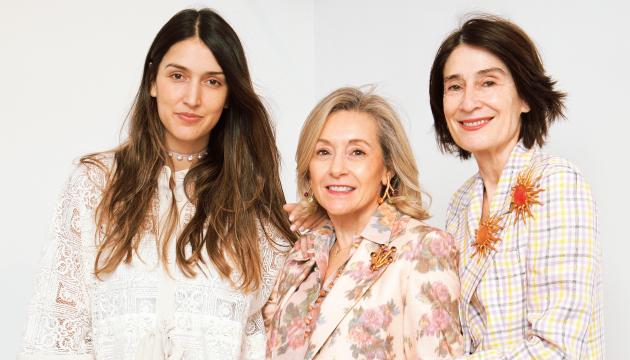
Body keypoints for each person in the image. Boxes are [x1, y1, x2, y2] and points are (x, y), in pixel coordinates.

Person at [19, 8, 294, 359]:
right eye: (178, 75)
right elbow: (59, 334)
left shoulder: (251, 202)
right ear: (153, 81)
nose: (192, 97)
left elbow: (270, 339)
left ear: (228, 97)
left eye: (212, 81)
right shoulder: (95, 184)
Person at [429, 15, 604, 358]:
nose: (468, 103)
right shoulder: (460, 203)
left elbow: (558, 347)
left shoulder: (557, 182)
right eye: (454, 86)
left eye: (488, 83)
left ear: (524, 97)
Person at [264, 87, 463, 359]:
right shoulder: (301, 256)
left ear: (387, 169)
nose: (337, 168)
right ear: (308, 170)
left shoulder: (423, 249)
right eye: (323, 152)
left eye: (357, 152)